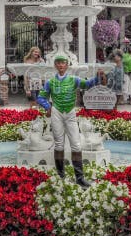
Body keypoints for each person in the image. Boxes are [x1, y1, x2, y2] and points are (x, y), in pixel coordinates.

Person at [36, 55, 105, 188]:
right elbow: (41, 97)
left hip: (70, 113)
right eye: (58, 63)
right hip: (56, 112)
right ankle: (60, 176)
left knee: (76, 145)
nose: (61, 65)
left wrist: (98, 77)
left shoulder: (74, 80)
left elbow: (87, 84)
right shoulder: (50, 82)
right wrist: (48, 107)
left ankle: (80, 178)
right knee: (59, 144)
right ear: (55, 65)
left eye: (63, 63)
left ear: (67, 65)